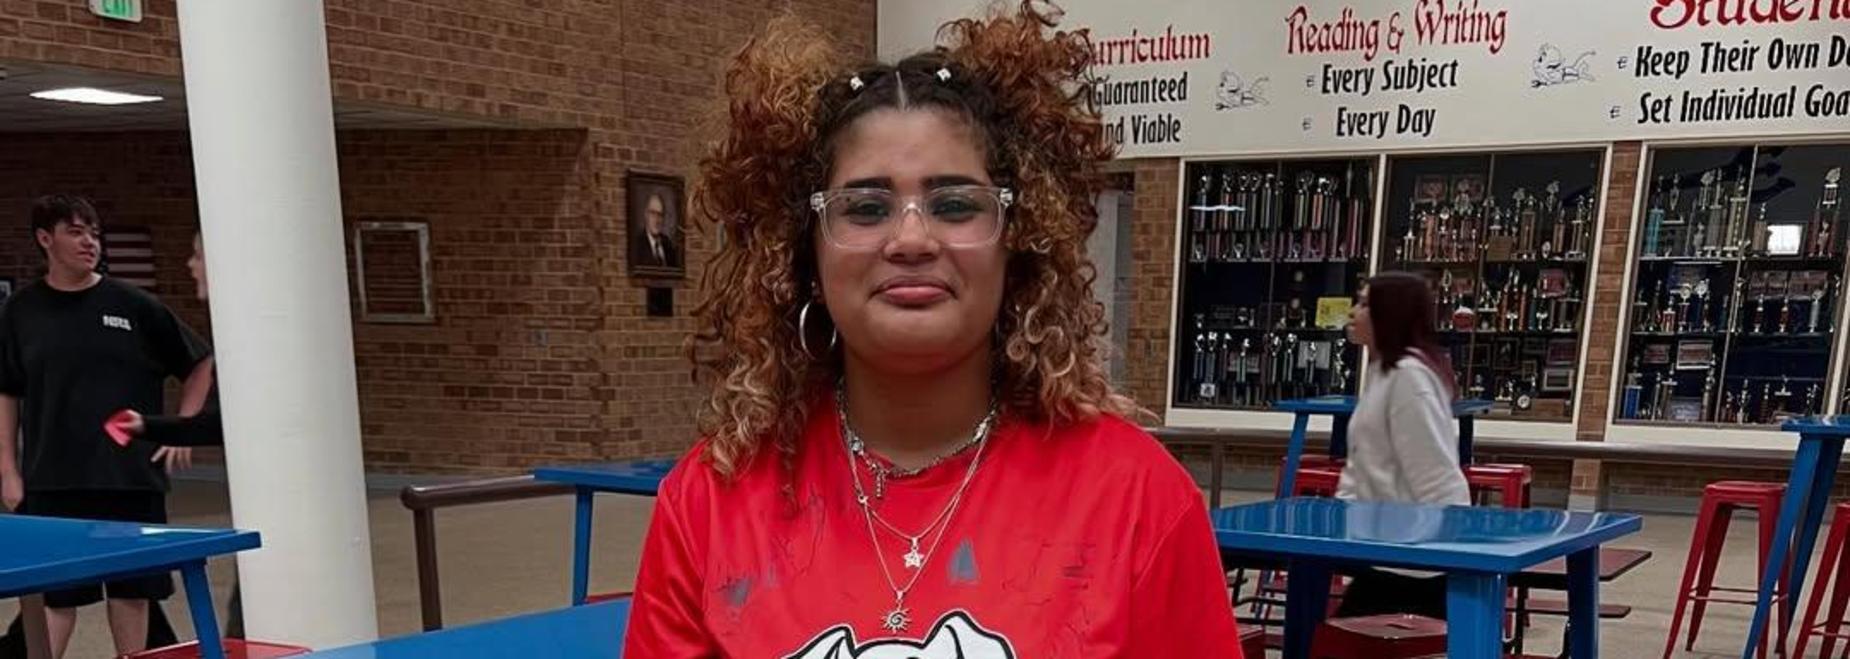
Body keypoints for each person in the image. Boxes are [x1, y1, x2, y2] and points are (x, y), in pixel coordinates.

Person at [625, 4, 1244, 656]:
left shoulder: (1136, 498)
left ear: (1018, 240)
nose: (912, 237)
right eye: (865, 207)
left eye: (954, 204)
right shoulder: (710, 502)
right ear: (803, 252)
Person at [0, 195, 213, 658]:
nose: (88, 242)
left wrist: (182, 427)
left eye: (94, 233)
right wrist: (8, 471)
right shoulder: (21, 312)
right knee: (53, 597)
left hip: (128, 477)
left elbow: (199, 361)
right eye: (75, 232)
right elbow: (7, 393)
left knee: (131, 593)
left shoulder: (133, 305)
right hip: (53, 477)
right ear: (45, 239)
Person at [109, 233, 244, 640]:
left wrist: (155, 427)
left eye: (198, 255)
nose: (190, 265)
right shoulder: (233, 331)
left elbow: (225, 421)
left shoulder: (250, 337)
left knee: (250, 617)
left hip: (288, 508)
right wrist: (150, 427)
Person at [1332, 270, 1472, 619]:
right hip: (1379, 549)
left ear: (1387, 314)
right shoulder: (1382, 371)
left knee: (1333, 641)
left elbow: (1436, 477)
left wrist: (1445, 558)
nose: (1354, 312)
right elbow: (1364, 465)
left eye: (1364, 304)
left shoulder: (1410, 378)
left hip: (1413, 566)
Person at [631, 192, 680, 269]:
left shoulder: (669, 246)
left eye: (660, 215)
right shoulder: (637, 245)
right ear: (646, 215)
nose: (656, 220)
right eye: (653, 213)